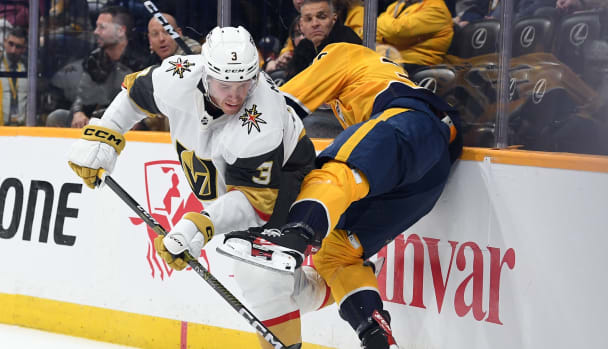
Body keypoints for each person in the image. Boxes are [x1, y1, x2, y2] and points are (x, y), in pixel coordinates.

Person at [66, 26, 322, 349]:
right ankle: (324, 286)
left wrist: (198, 225)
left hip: (285, 172)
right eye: (225, 85)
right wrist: (106, 133)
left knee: (261, 275)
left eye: (244, 84)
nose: (235, 96)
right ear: (206, 73)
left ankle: (315, 292)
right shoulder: (180, 75)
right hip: (229, 177)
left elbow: (256, 203)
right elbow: (135, 94)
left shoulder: (262, 120)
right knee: (272, 283)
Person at [224, 42, 463, 349]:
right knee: (338, 254)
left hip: (412, 123)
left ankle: (292, 240)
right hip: (428, 175)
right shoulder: (369, 84)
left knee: (336, 172)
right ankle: (376, 334)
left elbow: (277, 111)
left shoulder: (341, 54)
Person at [45, 6, 147, 128]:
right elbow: (82, 95)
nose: (96, 32)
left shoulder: (139, 62)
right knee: (57, 117)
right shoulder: (95, 58)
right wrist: (78, 112)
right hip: (97, 118)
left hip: (124, 121)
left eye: (102, 27)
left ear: (121, 31)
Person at [139, 12, 201, 131]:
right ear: (149, 39)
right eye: (155, 34)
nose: (161, 39)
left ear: (179, 34)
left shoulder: (193, 52)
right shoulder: (150, 62)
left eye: (167, 32)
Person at [286, 0, 362, 79]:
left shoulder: (347, 40)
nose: (315, 24)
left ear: (334, 19)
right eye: (308, 19)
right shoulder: (303, 47)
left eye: (322, 17)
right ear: (301, 25)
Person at [376, 0, 454, 75]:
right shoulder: (398, 4)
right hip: (390, 59)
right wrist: (386, 34)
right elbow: (371, 32)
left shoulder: (436, 9)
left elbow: (396, 31)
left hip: (416, 65)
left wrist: (380, 22)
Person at [0, 26, 28, 126]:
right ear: (4, 42)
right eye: (10, 44)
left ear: (24, 49)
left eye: (18, 47)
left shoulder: (29, 68)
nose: (13, 50)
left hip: (23, 129)